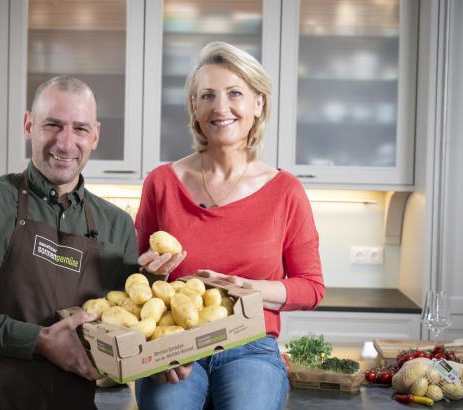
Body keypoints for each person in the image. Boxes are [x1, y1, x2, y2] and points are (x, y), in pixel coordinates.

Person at [0, 76, 139, 410]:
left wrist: (163, 359)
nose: (64, 143)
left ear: (95, 136)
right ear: (28, 125)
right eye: (52, 125)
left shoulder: (117, 225)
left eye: (79, 128)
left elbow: (123, 325)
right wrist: (38, 340)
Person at [135, 42, 325, 410]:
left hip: (250, 346)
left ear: (259, 103)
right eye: (207, 95)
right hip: (176, 345)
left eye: (235, 93)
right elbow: (136, 277)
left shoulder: (286, 191)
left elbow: (311, 287)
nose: (220, 108)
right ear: (194, 107)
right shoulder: (161, 183)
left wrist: (249, 288)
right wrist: (153, 277)